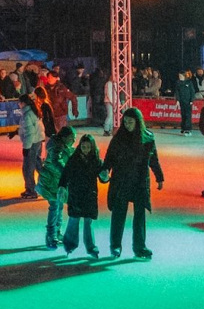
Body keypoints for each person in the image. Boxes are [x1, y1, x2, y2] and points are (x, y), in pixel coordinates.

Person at [103, 107, 164, 259]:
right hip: (122, 180)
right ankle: (115, 246)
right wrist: (105, 170)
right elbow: (109, 157)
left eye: (131, 122)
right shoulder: (118, 139)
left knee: (139, 215)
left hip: (139, 182)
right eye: (125, 122)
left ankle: (140, 247)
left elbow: (153, 159)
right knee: (118, 214)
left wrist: (159, 176)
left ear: (138, 122)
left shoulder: (148, 138)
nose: (128, 125)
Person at [57, 131, 106, 258]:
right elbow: (65, 174)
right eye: (84, 147)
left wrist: (105, 177)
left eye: (89, 147)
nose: (86, 150)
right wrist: (62, 187)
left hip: (89, 195)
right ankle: (69, 244)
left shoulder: (96, 160)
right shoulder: (74, 159)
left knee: (88, 222)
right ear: (80, 147)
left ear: (93, 147)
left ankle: (91, 247)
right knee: (74, 220)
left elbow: (102, 177)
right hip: (76, 195)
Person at [37, 126, 75, 249]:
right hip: (50, 181)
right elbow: (56, 161)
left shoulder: (65, 147)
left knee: (59, 206)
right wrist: (66, 172)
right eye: (71, 138)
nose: (73, 141)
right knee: (54, 207)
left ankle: (57, 232)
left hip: (57, 181)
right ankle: (51, 235)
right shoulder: (56, 148)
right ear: (64, 138)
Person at [16, 93, 46, 199]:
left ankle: (31, 190)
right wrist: (16, 132)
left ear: (23, 103)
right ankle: (47, 184)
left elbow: (30, 132)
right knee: (38, 164)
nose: (18, 104)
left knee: (28, 167)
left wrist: (26, 147)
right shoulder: (33, 111)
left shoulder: (28, 114)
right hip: (37, 141)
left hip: (32, 143)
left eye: (19, 102)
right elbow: (29, 128)